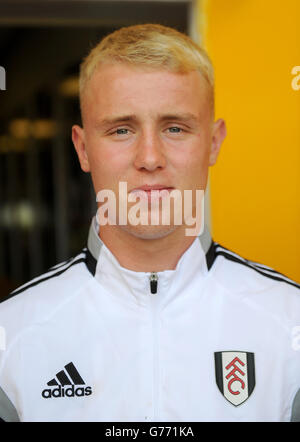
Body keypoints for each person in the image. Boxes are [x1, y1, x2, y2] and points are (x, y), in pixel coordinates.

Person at [0, 24, 299, 423]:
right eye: (121, 130)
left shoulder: (290, 324)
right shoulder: (11, 335)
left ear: (213, 143)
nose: (150, 157)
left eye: (175, 128)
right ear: (83, 148)